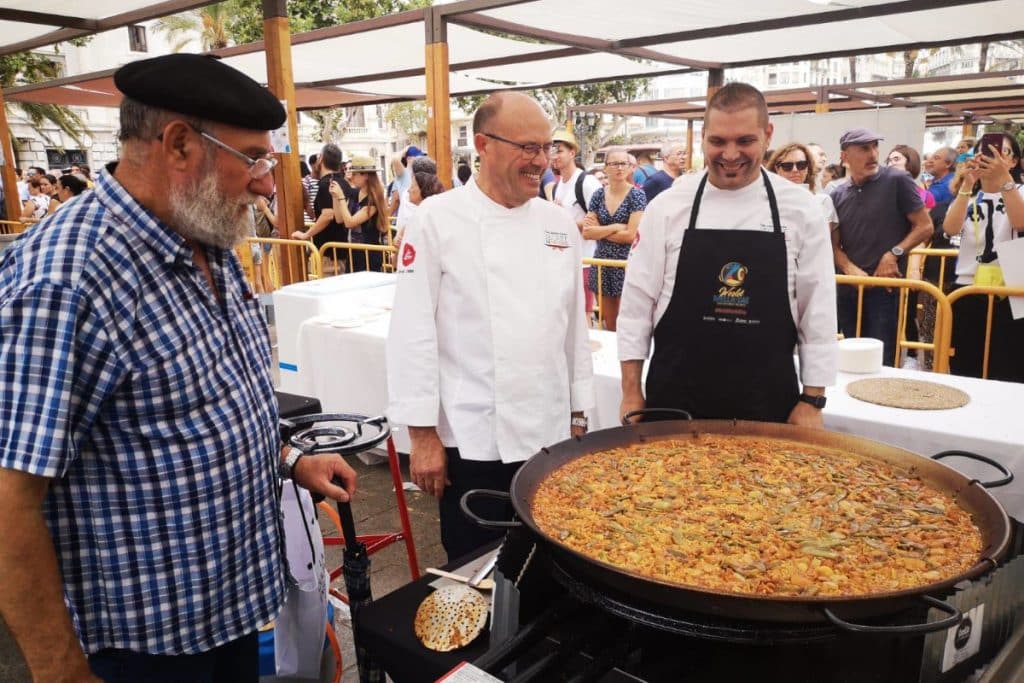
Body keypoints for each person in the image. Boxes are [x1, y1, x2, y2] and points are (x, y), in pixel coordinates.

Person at [0, 53, 357, 683]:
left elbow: (205, 404)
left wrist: (288, 459)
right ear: (181, 145)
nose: (269, 182)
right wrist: (59, 669)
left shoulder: (208, 239)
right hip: (140, 652)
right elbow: (8, 498)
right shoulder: (66, 279)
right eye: (254, 158)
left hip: (228, 615)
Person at [386, 92, 593, 561]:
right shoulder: (437, 220)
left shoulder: (560, 224)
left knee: (550, 564)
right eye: (527, 147)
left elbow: (572, 330)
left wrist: (580, 411)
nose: (539, 160)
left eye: (544, 148)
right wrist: (421, 436)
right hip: (473, 437)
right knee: (476, 567)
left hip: (548, 433)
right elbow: (412, 332)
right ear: (482, 144)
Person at [618, 83, 837, 426]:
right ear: (703, 136)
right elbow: (636, 306)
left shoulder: (801, 210)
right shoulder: (668, 207)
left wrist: (813, 399)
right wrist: (630, 390)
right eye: (718, 141)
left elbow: (818, 311)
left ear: (767, 135)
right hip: (674, 401)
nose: (730, 154)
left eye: (745, 141)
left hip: (767, 403)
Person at [830, 128, 933, 367]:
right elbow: (832, 244)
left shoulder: (897, 180)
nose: (873, 153)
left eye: (875, 146)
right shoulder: (837, 194)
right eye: (864, 148)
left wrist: (894, 253)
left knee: (882, 362)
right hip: (850, 288)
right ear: (844, 156)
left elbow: (925, 226)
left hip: (885, 288)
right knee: (852, 358)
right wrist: (848, 268)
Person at [942, 133, 1024, 382]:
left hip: (1014, 288)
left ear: (1014, 161)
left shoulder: (1020, 190)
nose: (993, 158)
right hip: (969, 286)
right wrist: (967, 184)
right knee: (966, 363)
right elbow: (950, 228)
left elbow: (1021, 223)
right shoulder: (968, 196)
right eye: (985, 152)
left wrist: (1005, 181)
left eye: (1002, 152)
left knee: (1009, 363)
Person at [583, 148, 646, 331]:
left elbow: (631, 236)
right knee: (607, 322)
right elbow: (587, 233)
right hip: (601, 262)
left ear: (629, 167)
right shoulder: (598, 195)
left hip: (626, 264)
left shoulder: (637, 195)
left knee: (626, 323)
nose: (619, 168)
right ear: (606, 168)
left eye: (624, 163)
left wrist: (600, 230)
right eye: (614, 163)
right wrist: (616, 227)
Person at [886, 144, 936, 369]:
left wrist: (914, 265)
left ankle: (913, 356)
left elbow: (923, 231)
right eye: (889, 159)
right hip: (883, 260)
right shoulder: (882, 189)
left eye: (896, 159)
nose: (891, 162)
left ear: (910, 163)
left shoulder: (920, 194)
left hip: (905, 257)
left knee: (906, 310)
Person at [550, 128, 602, 320]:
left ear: (572, 153)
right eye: (552, 150)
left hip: (585, 261)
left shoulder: (587, 182)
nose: (554, 155)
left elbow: (599, 220)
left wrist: (566, 221)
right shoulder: (558, 186)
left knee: (585, 314)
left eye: (560, 150)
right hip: (564, 260)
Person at [291, 143, 355, 273]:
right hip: (340, 249)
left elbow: (327, 214)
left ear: (320, 159)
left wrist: (306, 235)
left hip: (328, 253)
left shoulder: (327, 184)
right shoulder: (343, 182)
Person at [329, 155, 390, 272]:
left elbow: (350, 223)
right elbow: (340, 219)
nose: (351, 177)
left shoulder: (373, 200)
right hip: (353, 253)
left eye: (355, 174)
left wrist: (341, 198)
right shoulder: (354, 193)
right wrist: (335, 197)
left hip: (369, 255)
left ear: (366, 175)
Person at [767, 142, 837, 232]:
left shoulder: (822, 201)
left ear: (808, 168)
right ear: (777, 169)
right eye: (787, 166)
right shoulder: (767, 201)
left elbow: (824, 241)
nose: (795, 170)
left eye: (801, 165)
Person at [393, 170, 445, 250]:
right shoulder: (412, 222)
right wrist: (397, 244)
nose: (409, 190)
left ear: (424, 190)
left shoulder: (432, 222)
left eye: (412, 186)